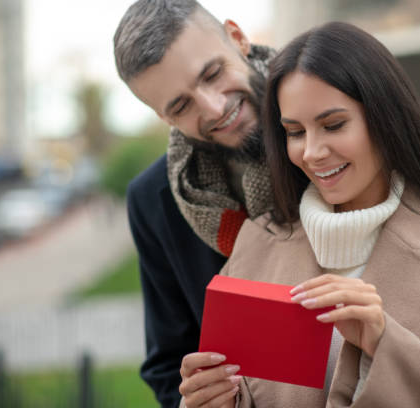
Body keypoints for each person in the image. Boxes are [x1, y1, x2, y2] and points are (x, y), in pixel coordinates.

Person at [178, 22, 420, 407]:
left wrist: (385, 341)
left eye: (333, 125)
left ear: (386, 118)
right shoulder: (255, 245)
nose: (313, 152)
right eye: (295, 132)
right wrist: (211, 401)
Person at [112, 1, 275, 406]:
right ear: (163, 117)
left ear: (238, 39)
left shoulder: (335, 119)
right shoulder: (154, 201)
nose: (215, 108)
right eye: (181, 106)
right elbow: (168, 366)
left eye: (213, 73)